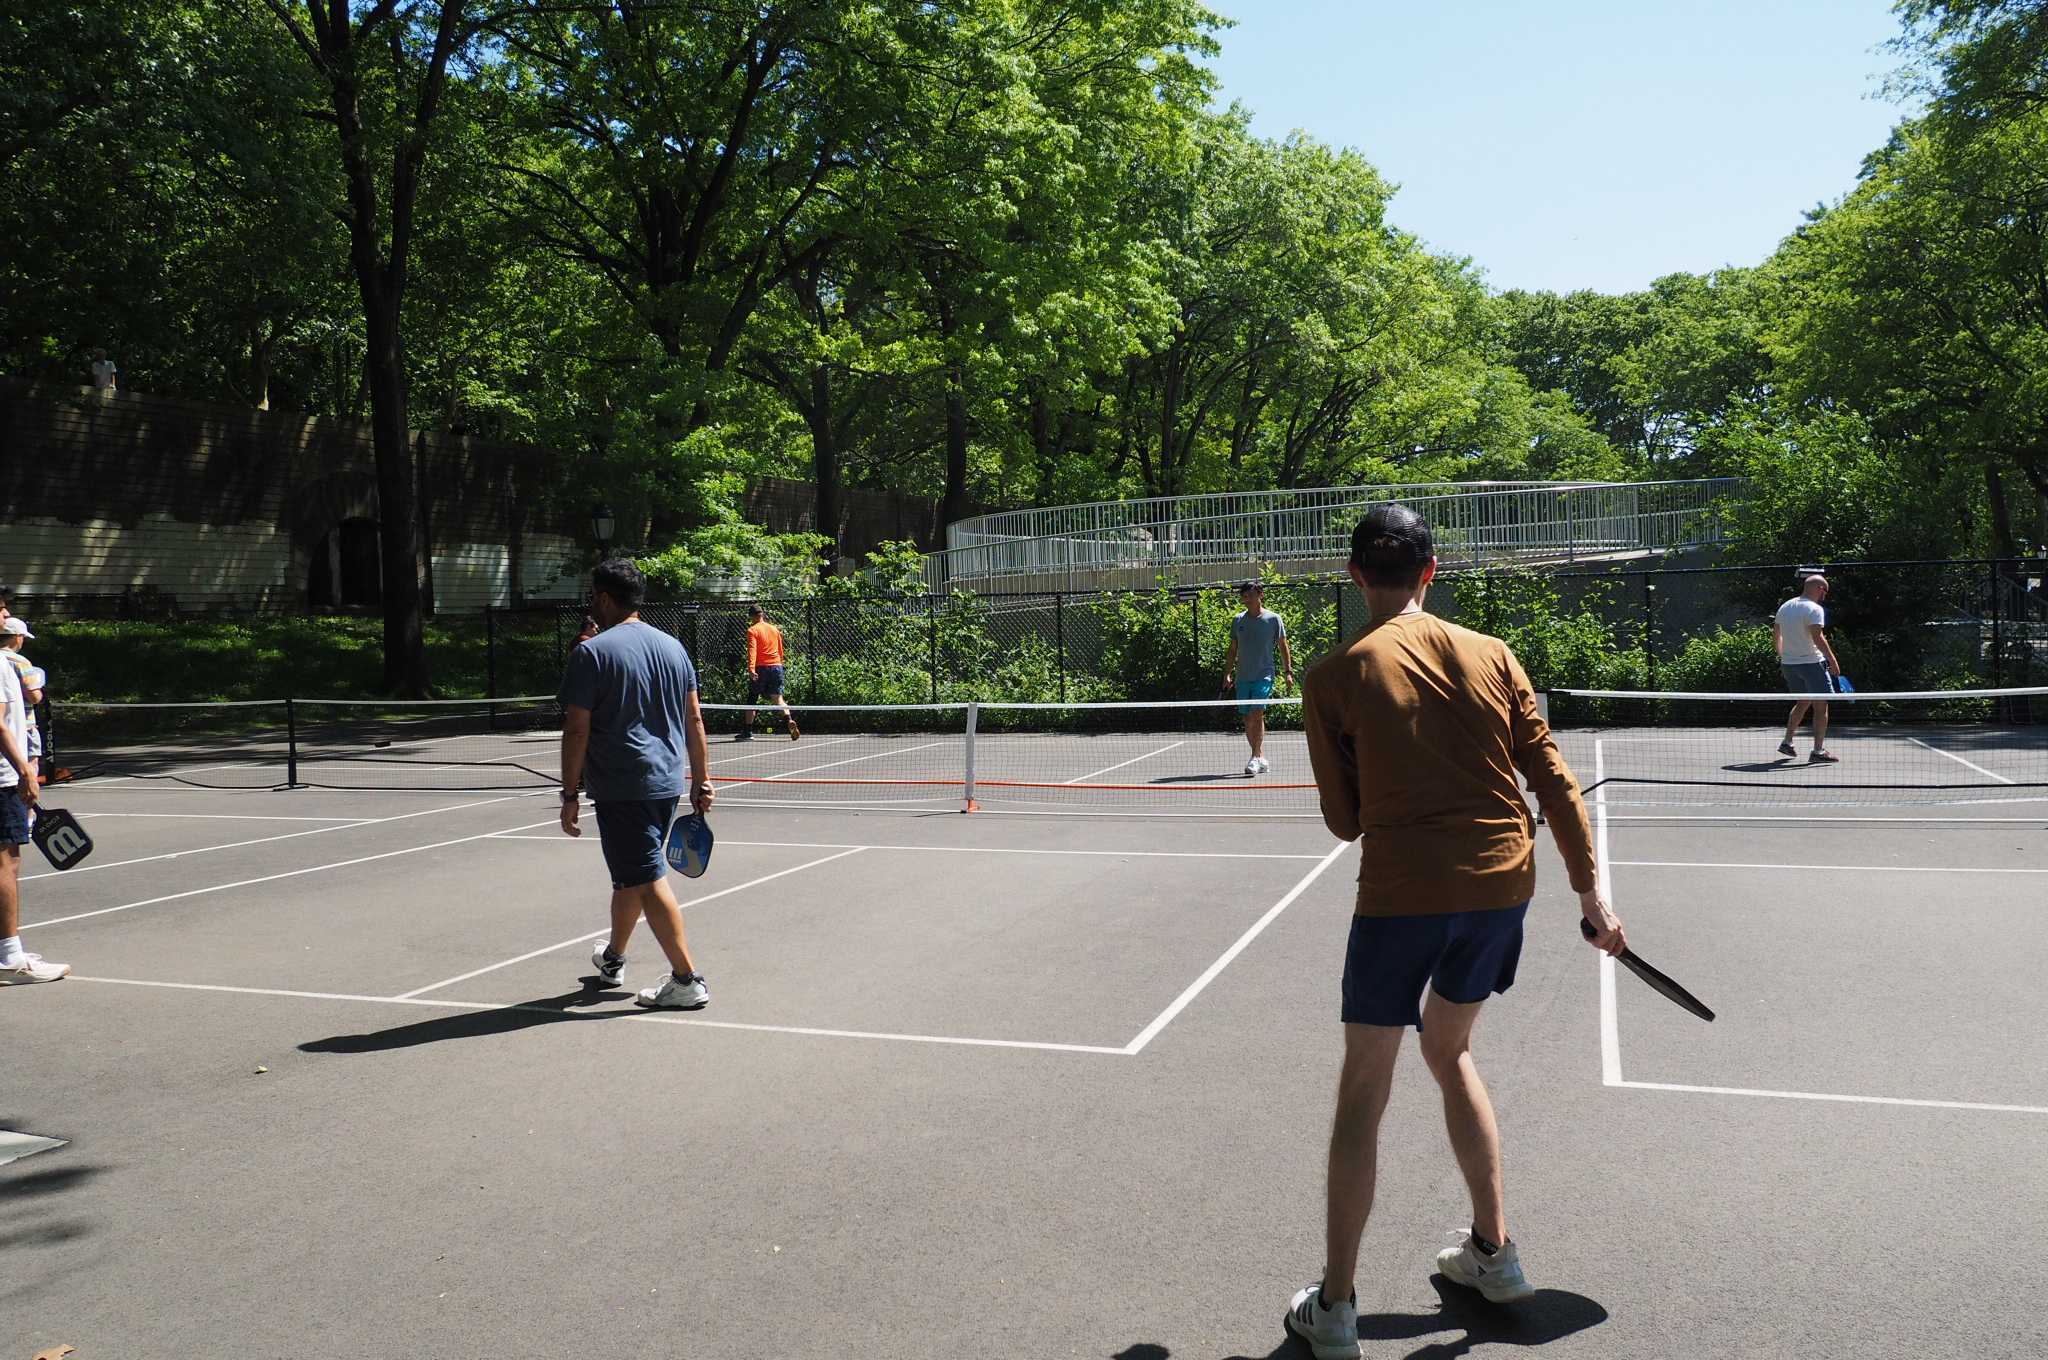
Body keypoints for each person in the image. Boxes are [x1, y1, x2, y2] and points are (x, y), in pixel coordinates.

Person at [1285, 503, 1624, 1360]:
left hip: (1401, 894)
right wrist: (1593, 897)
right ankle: (1494, 1257)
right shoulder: (1494, 654)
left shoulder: (1332, 677)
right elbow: (1556, 782)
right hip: (1502, 886)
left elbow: (1344, 822)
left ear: (1356, 575)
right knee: (1451, 1051)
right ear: (1432, 572)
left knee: (1365, 1088)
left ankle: (1335, 1310)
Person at [558, 559, 717, 1010]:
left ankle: (687, 979)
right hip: (666, 781)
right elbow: (695, 719)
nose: (591, 604)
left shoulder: (590, 654)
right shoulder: (673, 648)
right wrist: (702, 779)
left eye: (593, 596)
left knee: (646, 876)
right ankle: (613, 959)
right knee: (632, 873)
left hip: (624, 786)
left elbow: (576, 730)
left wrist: (569, 794)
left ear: (605, 598)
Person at [1, 640, 67, 985]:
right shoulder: (2, 664)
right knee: (6, 864)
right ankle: (10, 958)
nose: (6, 614)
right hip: (3, 779)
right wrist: (25, 770)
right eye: (1, 610)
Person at [1223, 582, 1293, 776]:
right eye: (1243, 596)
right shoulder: (1238, 620)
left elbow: (1283, 646)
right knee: (1247, 717)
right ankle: (1260, 756)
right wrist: (1227, 674)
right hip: (1243, 677)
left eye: (1250, 595)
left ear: (1260, 595)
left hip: (1265, 675)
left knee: (1257, 712)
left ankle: (1254, 757)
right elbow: (1232, 650)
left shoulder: (1273, 619)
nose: (1246, 599)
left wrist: (1288, 672)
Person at [1774, 573, 1841, 763]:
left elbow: (1776, 633)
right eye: (1825, 591)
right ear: (1819, 589)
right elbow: (1818, 637)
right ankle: (1818, 751)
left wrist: (1783, 655)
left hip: (1789, 665)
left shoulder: (1785, 606)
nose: (1825, 596)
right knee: (1821, 706)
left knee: (1802, 702)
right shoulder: (1814, 609)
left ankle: (1787, 742)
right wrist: (1833, 661)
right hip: (1812, 664)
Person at [737, 605, 799, 743]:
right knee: (778, 699)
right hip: (777, 666)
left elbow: (752, 651)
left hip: (761, 668)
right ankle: (789, 720)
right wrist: (780, 664)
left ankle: (747, 731)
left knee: (752, 700)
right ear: (762, 614)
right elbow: (781, 650)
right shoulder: (774, 629)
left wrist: (751, 669)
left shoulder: (752, 630)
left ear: (752, 616)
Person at [2, 617, 45, 784]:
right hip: (24, 725)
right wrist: (40, 691)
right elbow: (33, 696)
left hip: (4, 723)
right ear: (16, 637)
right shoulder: (21, 662)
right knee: (29, 766)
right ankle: (27, 808)